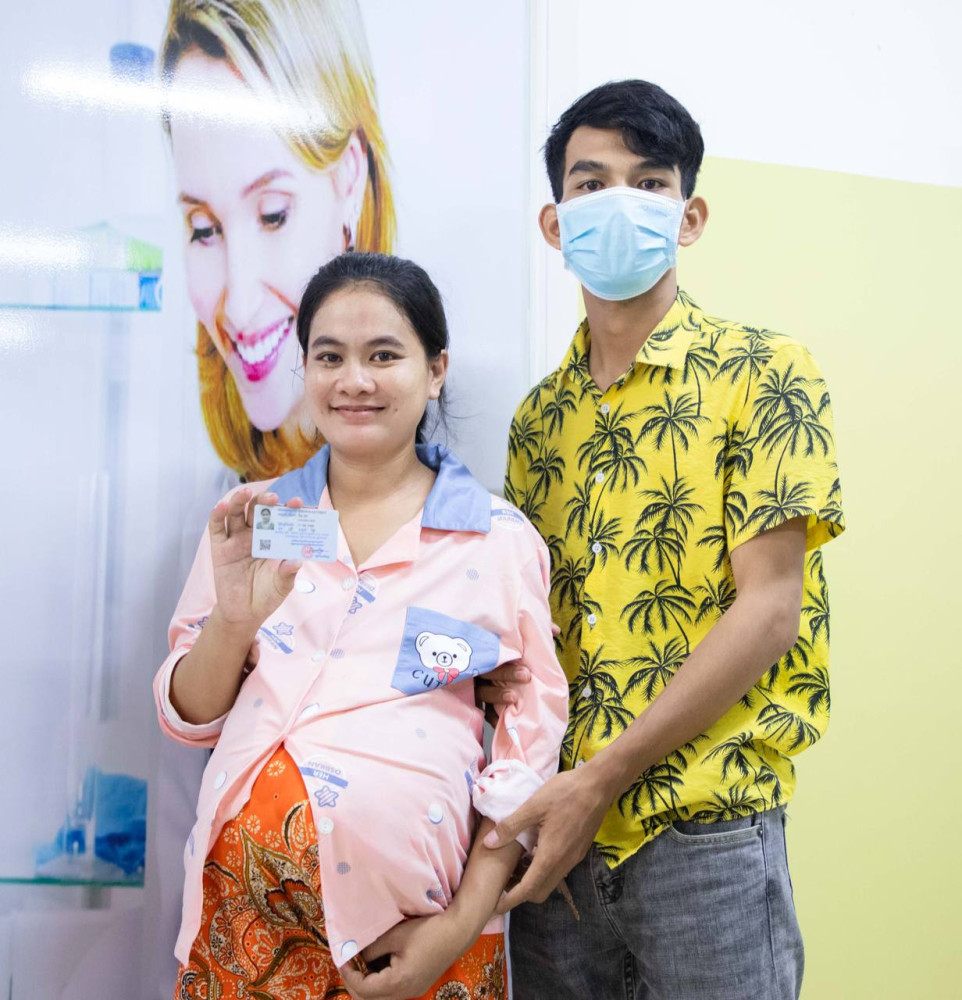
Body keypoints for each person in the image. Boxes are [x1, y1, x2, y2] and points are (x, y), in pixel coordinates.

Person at [485, 80, 846, 999]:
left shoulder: (765, 372)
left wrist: (598, 780)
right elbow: (531, 633)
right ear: (554, 223)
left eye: (648, 183)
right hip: (557, 849)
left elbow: (769, 611)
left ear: (689, 217)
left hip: (706, 835)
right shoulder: (538, 421)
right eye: (591, 182)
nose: (619, 202)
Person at [152, 252, 568, 999]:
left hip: (420, 939)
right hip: (240, 924)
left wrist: (461, 925)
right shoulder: (256, 519)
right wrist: (234, 623)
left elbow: (528, 754)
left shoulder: (497, 540)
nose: (354, 380)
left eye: (383, 355)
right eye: (329, 357)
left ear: (435, 370)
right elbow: (188, 717)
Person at [161, 0, 396, 482]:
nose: (240, 307)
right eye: (203, 229)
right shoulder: (213, 496)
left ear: (349, 179)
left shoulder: (423, 487)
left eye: (273, 215)